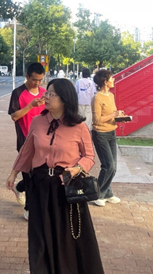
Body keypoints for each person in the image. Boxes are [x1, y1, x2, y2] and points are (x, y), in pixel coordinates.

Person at [6, 79, 103, 274]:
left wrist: (76, 169)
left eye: (51, 94)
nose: (46, 97)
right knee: (40, 231)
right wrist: (14, 173)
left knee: (66, 232)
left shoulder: (79, 126)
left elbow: (89, 156)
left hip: (66, 186)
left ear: (64, 98)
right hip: (40, 184)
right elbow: (27, 151)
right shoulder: (37, 121)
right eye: (47, 93)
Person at [8, 62, 46, 219]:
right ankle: (29, 208)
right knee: (29, 174)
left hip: (42, 140)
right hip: (25, 140)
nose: (37, 83)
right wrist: (30, 106)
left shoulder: (44, 93)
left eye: (40, 80)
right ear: (27, 76)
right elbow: (14, 116)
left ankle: (20, 187)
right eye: (34, 79)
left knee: (40, 174)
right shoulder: (18, 93)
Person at [91, 69, 124, 206]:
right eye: (111, 78)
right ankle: (97, 195)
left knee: (113, 167)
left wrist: (120, 116)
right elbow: (97, 120)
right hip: (100, 134)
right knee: (108, 166)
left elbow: (112, 114)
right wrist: (113, 115)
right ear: (105, 81)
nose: (113, 80)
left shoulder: (111, 96)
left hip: (112, 132)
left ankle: (107, 193)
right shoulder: (97, 98)